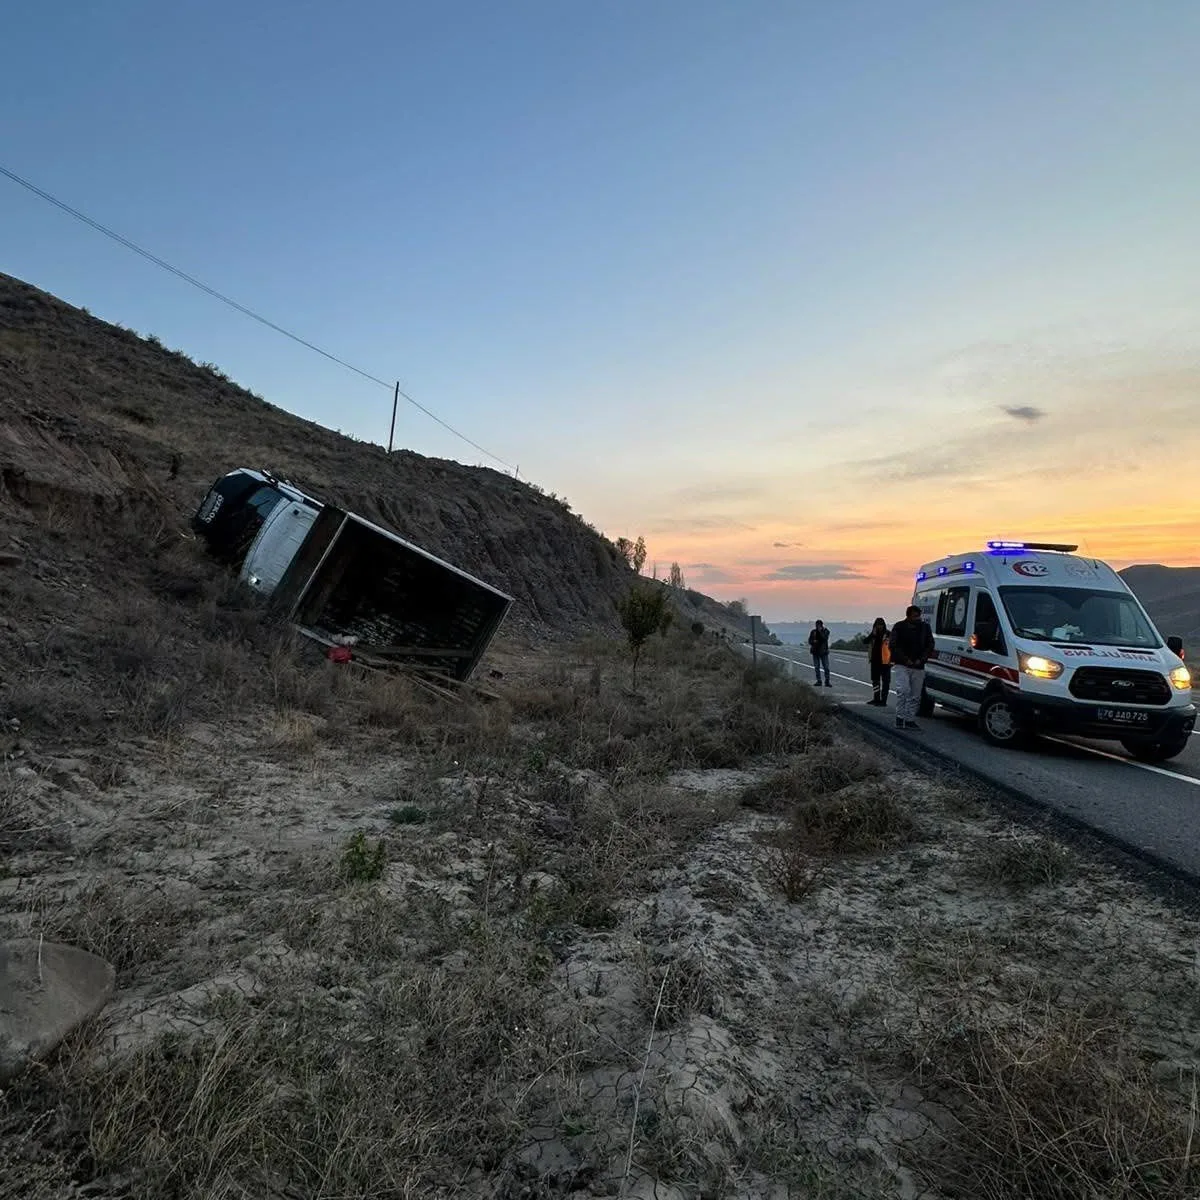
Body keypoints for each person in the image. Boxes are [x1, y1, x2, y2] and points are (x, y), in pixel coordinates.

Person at [888, 605, 935, 730]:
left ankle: (909, 719)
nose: (917, 619)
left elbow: (930, 645)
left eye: (918, 616)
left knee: (915, 695)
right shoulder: (899, 627)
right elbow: (893, 645)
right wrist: (906, 659)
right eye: (915, 616)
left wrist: (921, 659)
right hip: (902, 664)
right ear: (908, 616)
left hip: (918, 666)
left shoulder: (925, 628)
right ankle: (899, 717)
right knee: (903, 690)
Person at [866, 617, 892, 706]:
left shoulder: (888, 634)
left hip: (885, 662)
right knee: (875, 681)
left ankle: (883, 701)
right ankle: (876, 698)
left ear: (883, 625)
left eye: (881, 625)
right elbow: (864, 641)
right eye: (877, 625)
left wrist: (892, 660)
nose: (879, 627)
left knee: (886, 682)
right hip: (875, 661)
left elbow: (894, 647)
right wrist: (872, 635)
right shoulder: (874, 634)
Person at [808, 620, 833, 687]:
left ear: (821, 625)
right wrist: (814, 641)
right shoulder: (813, 632)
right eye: (816, 625)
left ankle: (827, 681)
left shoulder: (826, 631)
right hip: (815, 652)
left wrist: (819, 632)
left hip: (824, 652)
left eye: (818, 625)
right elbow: (810, 641)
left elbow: (824, 638)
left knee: (826, 667)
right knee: (817, 667)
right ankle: (819, 681)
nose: (817, 627)